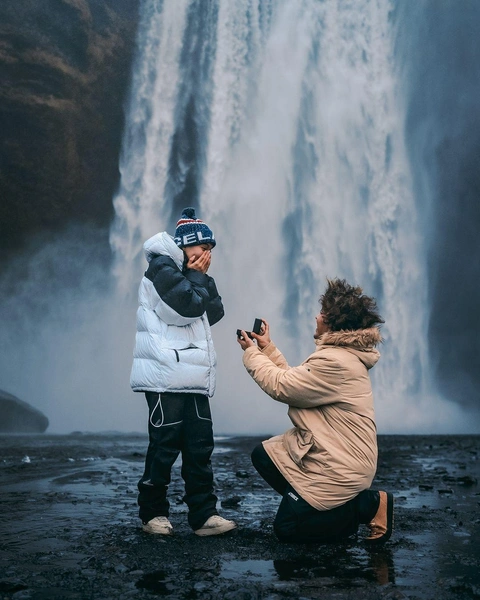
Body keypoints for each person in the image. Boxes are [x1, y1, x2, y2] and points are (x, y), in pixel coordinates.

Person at [237, 278, 393, 544]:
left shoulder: (336, 361)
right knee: (263, 455)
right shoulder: (338, 356)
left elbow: (281, 386)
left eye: (322, 313)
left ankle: (367, 506)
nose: (316, 316)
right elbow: (299, 384)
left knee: (287, 529)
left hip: (342, 464)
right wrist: (266, 348)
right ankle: (317, 509)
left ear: (332, 323)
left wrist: (252, 354)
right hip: (334, 451)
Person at [130, 207, 236, 537]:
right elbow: (187, 308)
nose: (207, 255)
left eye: (210, 250)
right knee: (164, 446)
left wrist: (198, 278)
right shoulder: (161, 267)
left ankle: (204, 515)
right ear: (185, 246)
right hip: (165, 376)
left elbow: (214, 311)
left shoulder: (189, 273)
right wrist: (197, 279)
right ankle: (152, 514)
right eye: (202, 248)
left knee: (199, 446)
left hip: (193, 376)